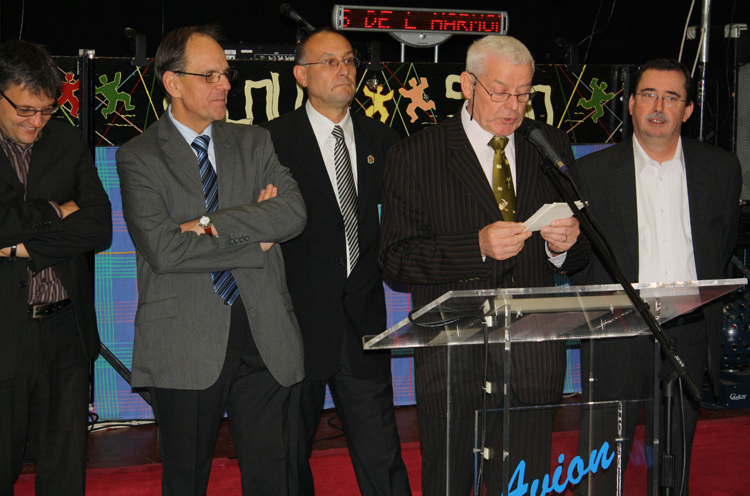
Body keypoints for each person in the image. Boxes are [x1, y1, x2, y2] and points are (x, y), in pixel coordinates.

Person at [378, 35, 589, 495]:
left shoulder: (547, 143)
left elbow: (582, 252)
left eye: (524, 94)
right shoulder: (415, 154)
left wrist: (563, 246)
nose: (513, 107)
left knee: (524, 488)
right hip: (454, 361)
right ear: (466, 85)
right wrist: (475, 246)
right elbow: (396, 259)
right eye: (501, 92)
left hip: (532, 360)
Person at [115, 25, 307, 495]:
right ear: (172, 82)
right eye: (210, 75)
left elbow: (292, 214)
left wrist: (205, 224)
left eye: (226, 74)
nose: (224, 84)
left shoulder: (254, 141)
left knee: (273, 478)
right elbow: (164, 250)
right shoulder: (139, 155)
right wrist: (254, 235)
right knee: (186, 479)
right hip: (184, 339)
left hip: (265, 334)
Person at [571, 58, 741, 495]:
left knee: (673, 463)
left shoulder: (721, 170)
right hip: (617, 331)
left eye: (671, 97)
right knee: (602, 459)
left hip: (687, 332)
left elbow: (720, 249)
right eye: (648, 95)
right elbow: (579, 260)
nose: (658, 107)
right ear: (631, 103)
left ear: (688, 110)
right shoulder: (591, 173)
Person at [264, 29, 411, 496]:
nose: (344, 69)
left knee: (383, 459)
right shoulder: (270, 141)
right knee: (288, 461)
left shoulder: (384, 140)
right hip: (296, 326)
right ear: (301, 75)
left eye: (348, 60)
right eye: (329, 61)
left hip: (364, 323)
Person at [0, 40, 112, 495]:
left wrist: (19, 249)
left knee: (64, 474)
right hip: (4, 329)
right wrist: (55, 210)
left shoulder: (66, 140)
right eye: (25, 110)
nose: (36, 122)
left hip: (66, 331)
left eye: (46, 110)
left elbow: (98, 226)